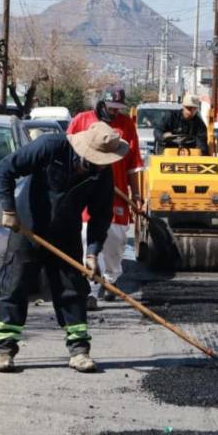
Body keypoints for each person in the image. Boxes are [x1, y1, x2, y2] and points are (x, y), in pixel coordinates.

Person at [0, 121, 129, 373]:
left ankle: (79, 350)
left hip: (66, 233)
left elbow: (101, 214)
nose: (101, 164)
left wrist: (92, 252)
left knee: (72, 290)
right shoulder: (50, 147)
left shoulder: (102, 173)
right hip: (28, 228)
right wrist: (9, 208)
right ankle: (4, 349)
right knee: (16, 286)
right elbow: (5, 169)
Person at [68, 87, 143, 306]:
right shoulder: (82, 120)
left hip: (116, 193)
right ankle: (91, 288)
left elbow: (133, 164)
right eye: (111, 107)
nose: (114, 112)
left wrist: (136, 194)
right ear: (102, 104)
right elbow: (68, 149)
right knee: (87, 238)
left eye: (118, 108)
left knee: (117, 239)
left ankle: (111, 280)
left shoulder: (126, 124)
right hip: (85, 192)